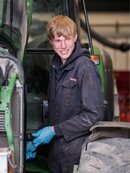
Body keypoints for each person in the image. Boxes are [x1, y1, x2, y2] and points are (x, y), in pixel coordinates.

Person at [26, 15, 104, 173]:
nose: (63, 46)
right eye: (58, 41)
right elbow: (53, 113)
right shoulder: (55, 66)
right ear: (51, 41)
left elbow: (92, 116)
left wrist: (55, 130)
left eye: (67, 39)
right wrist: (35, 142)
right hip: (56, 155)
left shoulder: (85, 68)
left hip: (77, 156)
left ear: (75, 37)